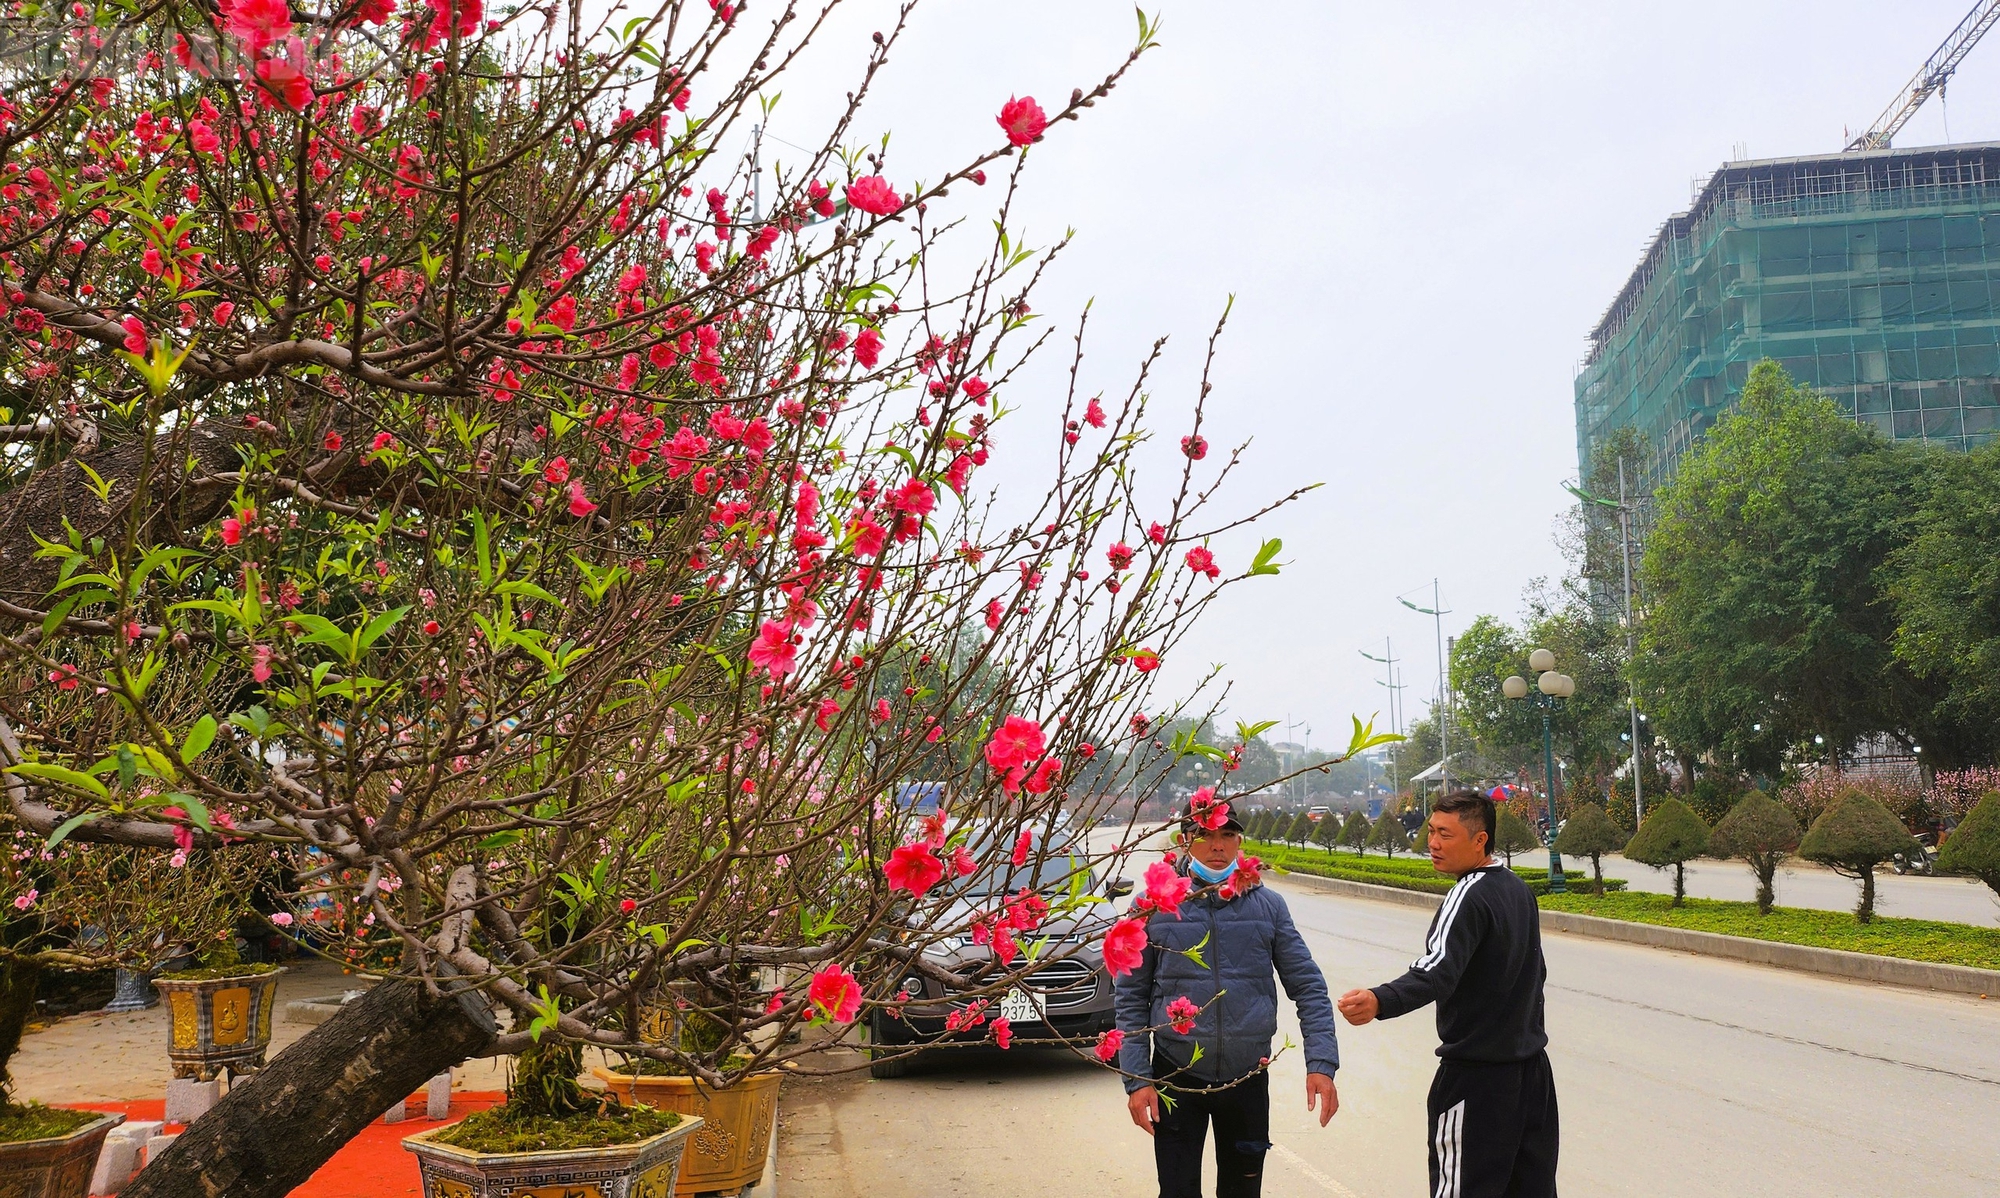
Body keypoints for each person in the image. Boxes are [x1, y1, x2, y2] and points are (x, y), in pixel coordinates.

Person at [1336, 789, 1559, 1198]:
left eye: (1445, 835)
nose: (1433, 844)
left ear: (1480, 840)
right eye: (1432, 831)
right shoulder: (1517, 888)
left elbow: (1436, 970)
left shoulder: (1468, 893)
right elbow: (1537, 974)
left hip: (1479, 1081)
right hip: (1532, 1077)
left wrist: (1380, 999)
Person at [1115, 802, 1341, 1198]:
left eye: (1226, 835)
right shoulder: (1153, 907)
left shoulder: (1268, 906)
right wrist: (1136, 1079)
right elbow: (1131, 997)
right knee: (1177, 1191)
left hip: (1247, 1077)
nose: (1216, 845)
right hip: (1176, 1075)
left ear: (1239, 841)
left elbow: (1308, 987)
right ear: (1185, 841)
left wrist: (1321, 1063)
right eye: (1205, 835)